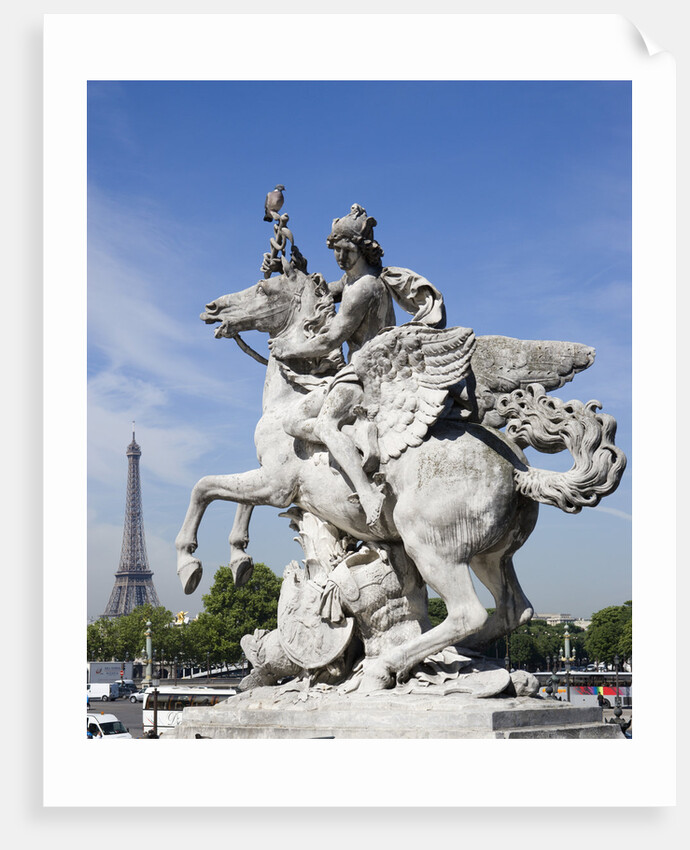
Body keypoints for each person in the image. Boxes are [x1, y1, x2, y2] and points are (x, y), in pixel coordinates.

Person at [268, 204, 444, 529]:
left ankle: (366, 493)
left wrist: (288, 348)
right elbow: (313, 287)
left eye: (345, 249)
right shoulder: (351, 281)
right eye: (335, 249)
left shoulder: (364, 287)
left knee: (323, 426)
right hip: (354, 372)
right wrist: (286, 264)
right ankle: (356, 436)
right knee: (291, 421)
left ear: (360, 247)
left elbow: (331, 339)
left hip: (364, 374)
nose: (339, 256)